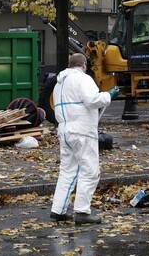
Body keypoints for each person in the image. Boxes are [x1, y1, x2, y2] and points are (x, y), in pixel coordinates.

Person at [50, 53, 119, 225]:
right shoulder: (83, 79)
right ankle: (82, 211)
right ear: (84, 65)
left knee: (67, 171)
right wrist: (109, 95)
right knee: (89, 170)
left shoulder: (59, 83)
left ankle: (58, 210)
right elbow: (92, 100)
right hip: (82, 131)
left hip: (64, 130)